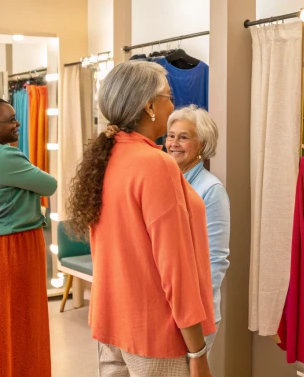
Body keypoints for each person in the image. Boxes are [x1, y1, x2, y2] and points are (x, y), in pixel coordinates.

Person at [67, 61, 215, 377]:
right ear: (149, 106)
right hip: (153, 331)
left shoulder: (107, 156)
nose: (173, 105)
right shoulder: (155, 164)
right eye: (169, 96)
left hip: (113, 319)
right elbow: (175, 266)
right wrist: (197, 351)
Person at [0, 98, 57, 377]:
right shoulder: (4, 155)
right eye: (11, 119)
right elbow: (49, 185)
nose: (17, 124)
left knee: (1, 327)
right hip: (12, 247)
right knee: (20, 327)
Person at [166, 105, 230, 353]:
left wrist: (197, 312)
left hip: (196, 313)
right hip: (170, 308)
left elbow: (216, 259)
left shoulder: (211, 190)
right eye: (171, 135)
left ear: (202, 144)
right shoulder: (164, 180)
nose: (173, 143)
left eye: (183, 137)